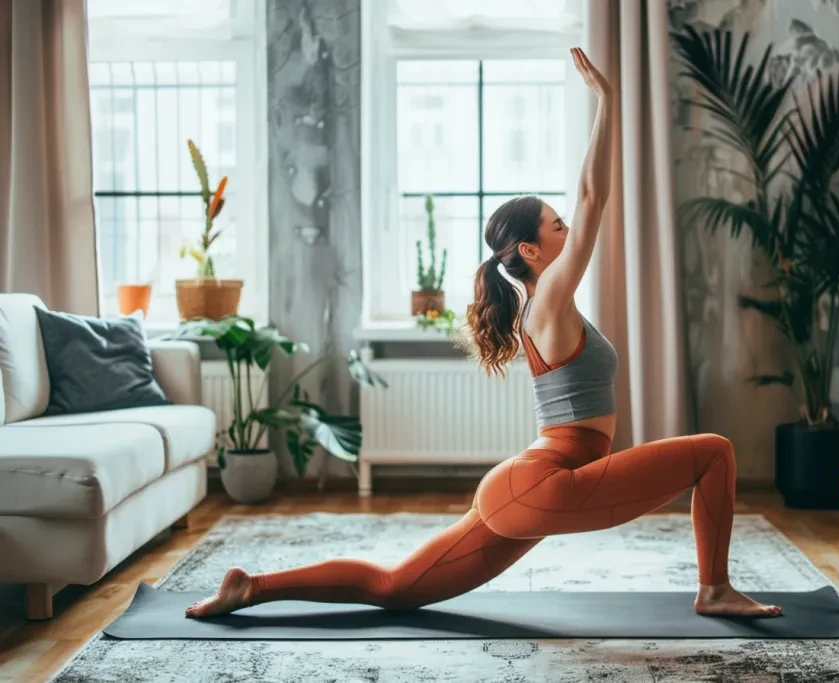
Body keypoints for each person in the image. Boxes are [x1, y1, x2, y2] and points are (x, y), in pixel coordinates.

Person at [185, 47, 781, 620]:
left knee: (396, 588)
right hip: (548, 483)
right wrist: (609, 99)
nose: (568, 228)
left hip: (530, 485)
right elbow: (595, 195)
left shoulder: (540, 303)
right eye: (556, 225)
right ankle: (715, 588)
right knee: (715, 453)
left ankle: (252, 586)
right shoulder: (546, 297)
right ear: (529, 248)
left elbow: (588, 205)